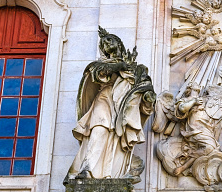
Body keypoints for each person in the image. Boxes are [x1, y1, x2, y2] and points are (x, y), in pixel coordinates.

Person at [65, 27, 155, 182]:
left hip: (122, 106)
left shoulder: (135, 69)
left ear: (118, 44)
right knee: (99, 129)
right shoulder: (101, 65)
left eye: (109, 40)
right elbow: (97, 72)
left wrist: (147, 97)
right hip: (104, 99)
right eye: (103, 43)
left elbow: (143, 90)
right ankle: (87, 169)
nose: (106, 44)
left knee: (114, 140)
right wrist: (119, 67)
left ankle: (108, 173)